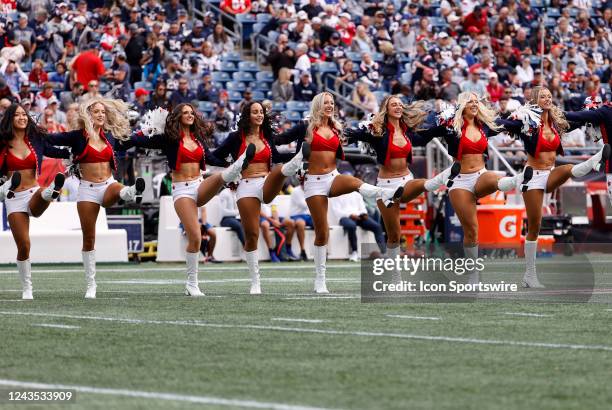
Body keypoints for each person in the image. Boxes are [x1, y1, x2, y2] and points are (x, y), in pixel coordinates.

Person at [262, 92, 404, 293]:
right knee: (322, 232)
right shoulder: (306, 126)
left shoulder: (337, 128)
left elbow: (358, 138)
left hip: (333, 176)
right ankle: (320, 280)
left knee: (355, 182)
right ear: (318, 105)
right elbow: (280, 140)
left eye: (332, 103)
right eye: (326, 102)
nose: (330, 105)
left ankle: (385, 193)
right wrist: (265, 127)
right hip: (313, 183)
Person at [121, 103, 255, 296]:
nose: (190, 115)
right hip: (182, 191)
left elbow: (211, 159)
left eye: (192, 112)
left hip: (200, 185)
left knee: (218, 176)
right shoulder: (169, 139)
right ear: (178, 117)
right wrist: (130, 137)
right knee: (195, 237)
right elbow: (139, 141)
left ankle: (239, 165)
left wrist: (229, 161)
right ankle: (191, 284)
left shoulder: (198, 140)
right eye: (185, 113)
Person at [497, 88, 610, 288]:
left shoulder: (557, 122)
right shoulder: (526, 121)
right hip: (532, 177)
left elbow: (580, 120)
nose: (548, 98)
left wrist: (595, 119)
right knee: (535, 226)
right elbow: (503, 124)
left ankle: (596, 159)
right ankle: (529, 275)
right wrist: (483, 123)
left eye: (550, 95)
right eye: (543, 96)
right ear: (534, 100)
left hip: (550, 174)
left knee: (567, 168)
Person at [344, 95, 461, 280]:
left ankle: (441, 178)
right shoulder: (377, 131)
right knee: (394, 234)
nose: (398, 107)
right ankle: (395, 276)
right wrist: (339, 132)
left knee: (419, 184)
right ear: (386, 109)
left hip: (406, 180)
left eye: (400, 104)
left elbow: (429, 134)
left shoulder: (408, 132)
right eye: (394, 104)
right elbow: (355, 134)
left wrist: (448, 123)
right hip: (385, 187)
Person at [45, 98, 146, 299]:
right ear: (87, 115)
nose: (100, 114)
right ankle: (91, 284)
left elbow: (135, 140)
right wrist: (33, 132)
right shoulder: (77, 137)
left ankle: (131, 191)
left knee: (117, 189)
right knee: (89, 238)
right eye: (96, 111)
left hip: (108, 185)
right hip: (87, 191)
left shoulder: (111, 137)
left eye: (102, 111)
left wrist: (154, 133)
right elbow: (52, 139)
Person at [209, 101, 293, 294]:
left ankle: (294, 165)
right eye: (255, 112)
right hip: (245, 186)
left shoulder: (267, 136)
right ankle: (255, 281)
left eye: (261, 112)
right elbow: (213, 157)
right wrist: (232, 167)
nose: (259, 115)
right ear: (247, 115)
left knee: (281, 170)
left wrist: (297, 153)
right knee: (252, 234)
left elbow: (277, 158)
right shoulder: (235, 138)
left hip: (266, 182)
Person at [0, 103, 69, 299]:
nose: (22, 117)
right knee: (24, 245)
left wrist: (74, 154)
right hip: (13, 198)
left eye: (24, 114)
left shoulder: (36, 140)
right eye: (17, 115)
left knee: (41, 194)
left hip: (33, 192)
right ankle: (27, 288)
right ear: (10, 119)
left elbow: (55, 150)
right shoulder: (3, 142)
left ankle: (53, 190)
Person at [564, 97, 612, 206]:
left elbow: (580, 117)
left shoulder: (606, 110)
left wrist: (561, 113)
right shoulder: (605, 111)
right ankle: (596, 165)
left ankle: (596, 165)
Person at [330, 190, 385, 261]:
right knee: (351, 226)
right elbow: (337, 212)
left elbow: (362, 208)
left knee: (377, 226)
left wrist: (364, 214)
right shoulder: (336, 195)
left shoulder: (356, 194)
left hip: (359, 217)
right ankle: (354, 252)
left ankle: (384, 252)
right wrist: (350, 215)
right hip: (344, 217)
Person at [289, 184, 312, 261]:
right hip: (296, 215)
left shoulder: (310, 189)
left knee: (322, 223)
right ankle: (303, 251)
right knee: (300, 224)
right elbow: (304, 205)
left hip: (308, 215)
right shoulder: (295, 191)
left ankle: (324, 251)